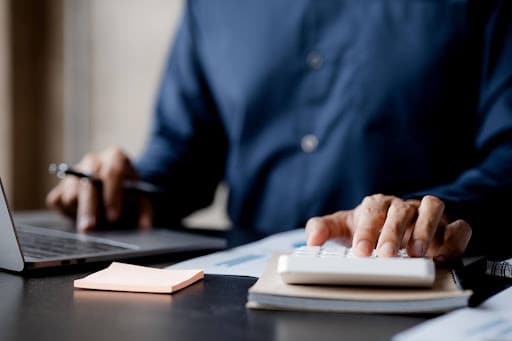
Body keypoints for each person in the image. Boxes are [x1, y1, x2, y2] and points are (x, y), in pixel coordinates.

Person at [47, 1, 512, 260]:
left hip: (410, 289)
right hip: (236, 299)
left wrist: (425, 215)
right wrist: (119, 188)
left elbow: (507, 159)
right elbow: (183, 156)